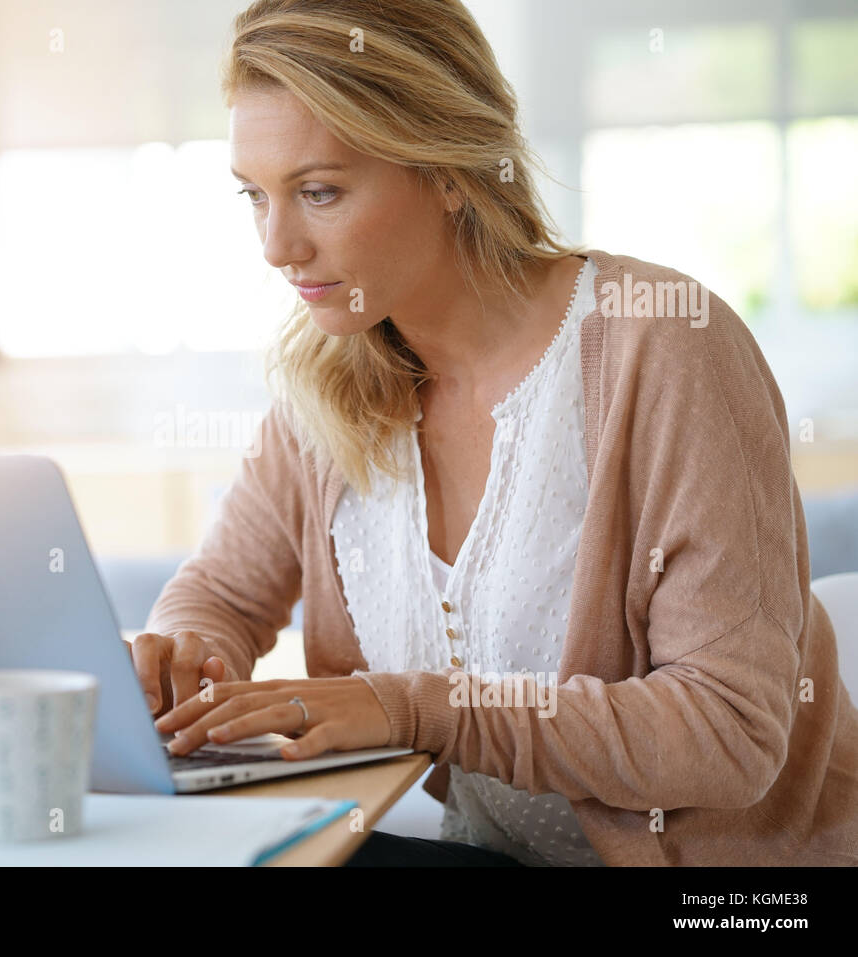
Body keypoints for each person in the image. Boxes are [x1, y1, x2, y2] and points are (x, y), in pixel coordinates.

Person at [136, 0, 858, 866]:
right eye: (254, 196)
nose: (276, 246)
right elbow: (221, 591)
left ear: (449, 169)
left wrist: (417, 709)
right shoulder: (327, 379)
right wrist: (186, 655)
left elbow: (730, 731)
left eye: (319, 192)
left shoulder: (662, 346)